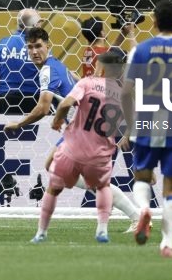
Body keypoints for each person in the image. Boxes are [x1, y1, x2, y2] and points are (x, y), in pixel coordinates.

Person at [4, 29, 139, 227]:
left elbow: (43, 107)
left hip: (82, 126)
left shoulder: (49, 70)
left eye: (38, 46)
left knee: (55, 166)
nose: (34, 51)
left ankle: (132, 214)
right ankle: (120, 206)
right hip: (87, 125)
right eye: (30, 47)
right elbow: (79, 82)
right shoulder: (57, 65)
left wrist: (19, 124)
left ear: (48, 46)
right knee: (55, 166)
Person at [119, 0, 172, 258]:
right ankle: (167, 243)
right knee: (171, 190)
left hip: (146, 122)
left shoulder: (141, 51)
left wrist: (129, 125)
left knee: (142, 177)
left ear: (153, 22)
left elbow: (126, 92)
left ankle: (144, 208)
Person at [31, 50, 126, 244]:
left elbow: (66, 103)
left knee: (53, 188)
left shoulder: (87, 83)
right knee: (103, 188)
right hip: (100, 154)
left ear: (102, 65)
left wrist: (57, 119)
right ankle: (102, 230)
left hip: (73, 149)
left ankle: (41, 232)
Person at [0, 8, 42, 115]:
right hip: (34, 102)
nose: (40, 27)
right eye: (38, 23)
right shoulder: (41, 47)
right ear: (32, 25)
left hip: (6, 101)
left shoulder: (3, 44)